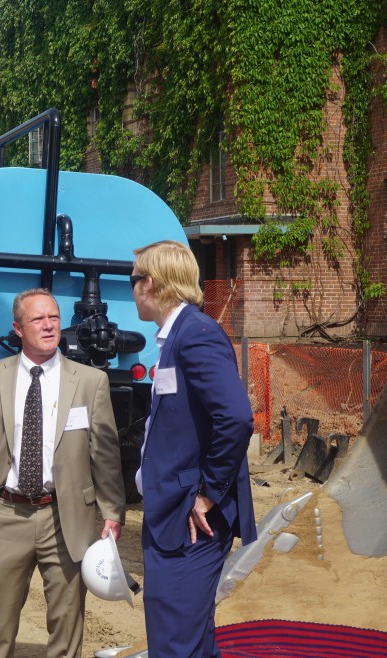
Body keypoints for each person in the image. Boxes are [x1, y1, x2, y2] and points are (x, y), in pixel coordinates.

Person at [0, 288, 126, 658]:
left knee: (67, 630)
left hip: (66, 519)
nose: (49, 325)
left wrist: (113, 512)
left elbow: (105, 454)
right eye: (38, 319)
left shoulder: (89, 381)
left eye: (53, 317)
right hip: (6, 515)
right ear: (18, 328)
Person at [130, 240, 257, 657]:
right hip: (174, 514)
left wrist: (207, 494)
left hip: (189, 520)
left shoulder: (196, 334)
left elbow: (236, 417)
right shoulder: (178, 336)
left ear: (151, 283)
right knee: (193, 641)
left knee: (174, 644)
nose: (131, 290)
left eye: (133, 280)